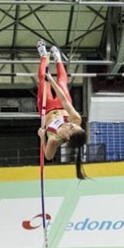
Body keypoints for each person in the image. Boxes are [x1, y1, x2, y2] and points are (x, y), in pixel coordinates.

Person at [35, 40, 88, 180]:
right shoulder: (76, 119)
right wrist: (51, 81)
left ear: (67, 137)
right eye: (74, 125)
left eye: (71, 127)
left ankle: (43, 56)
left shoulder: (54, 140)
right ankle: (58, 58)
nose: (71, 124)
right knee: (61, 82)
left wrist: (42, 138)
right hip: (61, 103)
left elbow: (48, 156)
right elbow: (64, 100)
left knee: (42, 80)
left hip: (46, 110)